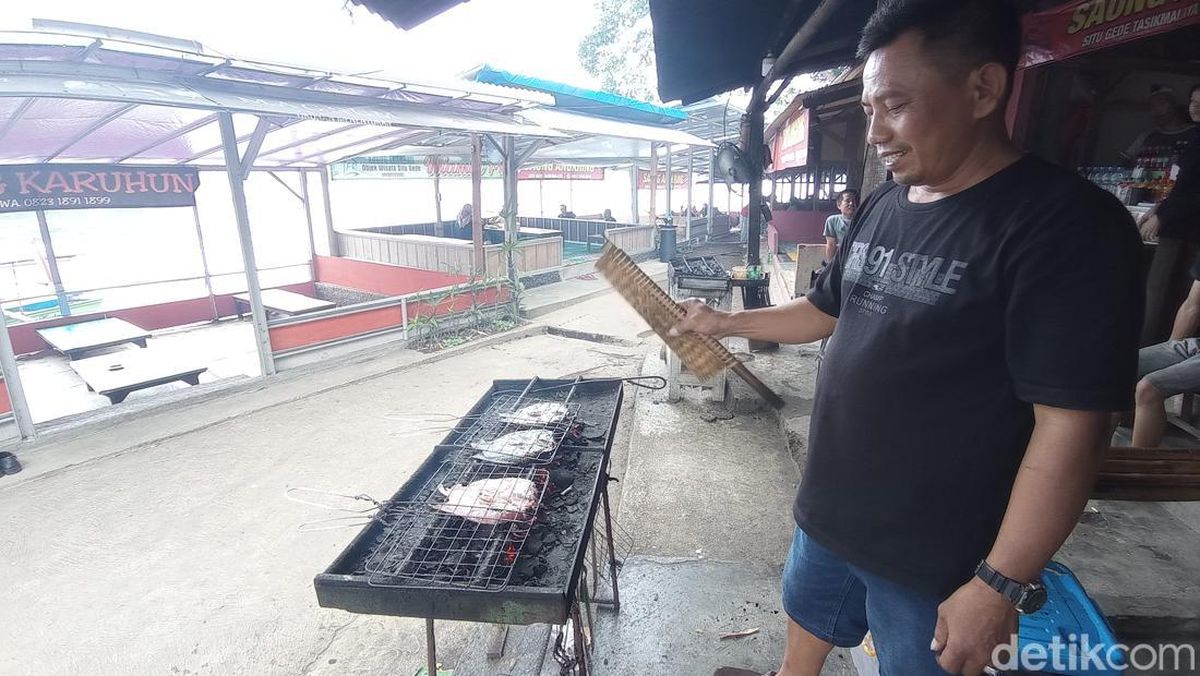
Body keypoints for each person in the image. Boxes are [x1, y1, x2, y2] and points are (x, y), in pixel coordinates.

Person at [685, 2, 1141, 675]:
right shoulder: (887, 204)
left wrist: (999, 582)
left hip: (938, 550)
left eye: (894, 104)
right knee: (807, 619)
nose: (875, 133)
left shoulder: (1066, 227)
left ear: (983, 90)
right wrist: (726, 324)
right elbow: (823, 310)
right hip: (833, 510)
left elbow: (1071, 427)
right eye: (870, 109)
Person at [1132, 255, 1200, 447]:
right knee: (1115, 370)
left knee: (1148, 389)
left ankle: (1140, 470)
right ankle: (1100, 459)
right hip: (1196, 345)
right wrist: (1169, 350)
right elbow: (1192, 307)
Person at [1138, 83, 1200, 243]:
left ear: (1174, 105)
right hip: (1170, 212)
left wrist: (1162, 215)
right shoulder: (1148, 137)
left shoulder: (1192, 135)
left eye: (1162, 104)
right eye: (1193, 102)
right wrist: (1160, 208)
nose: (1196, 107)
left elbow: (1191, 189)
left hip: (1185, 226)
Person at [1121, 85, 1198, 166]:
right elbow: (1124, 165)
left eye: (1162, 103)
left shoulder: (1196, 133)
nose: (1156, 110)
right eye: (1152, 106)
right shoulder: (1145, 137)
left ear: (1174, 104)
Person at [823, 189, 860, 262]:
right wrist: (830, 264)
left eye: (854, 201)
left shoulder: (863, 221)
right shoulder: (832, 221)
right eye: (847, 201)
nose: (851, 203)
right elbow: (831, 244)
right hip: (840, 259)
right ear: (839, 205)